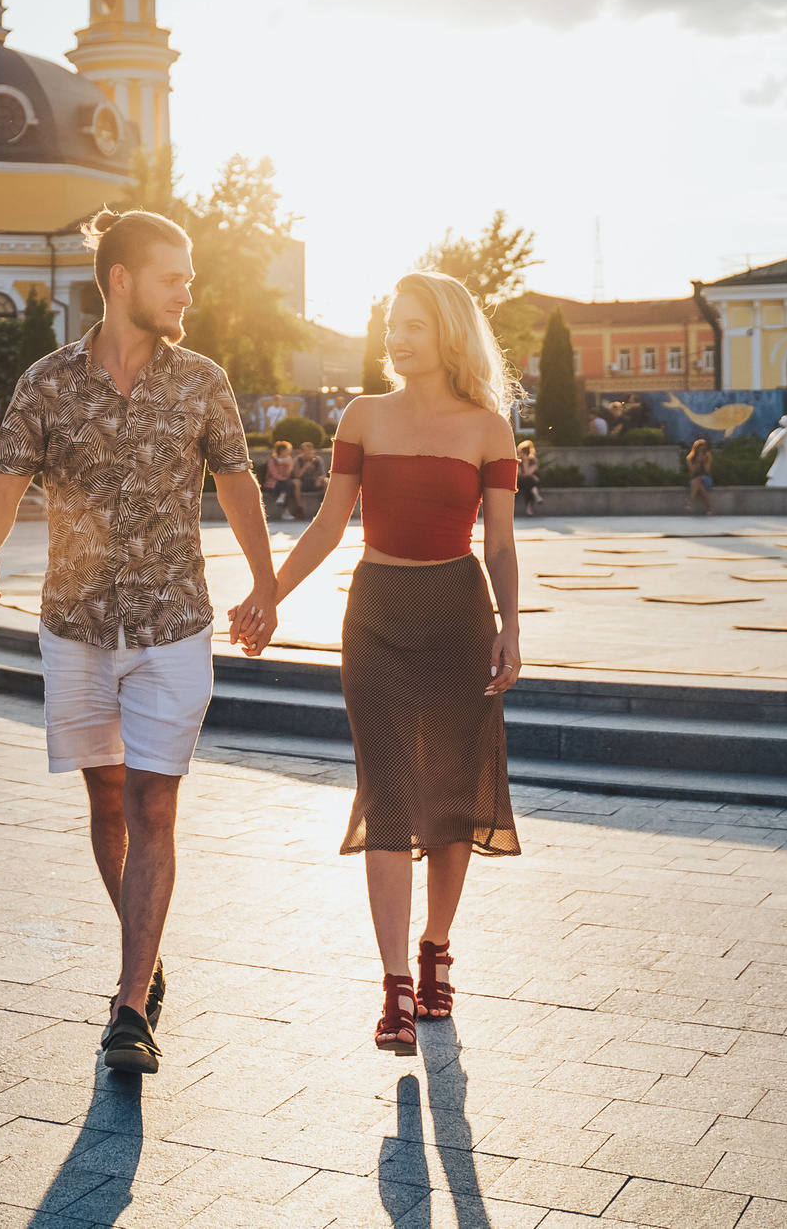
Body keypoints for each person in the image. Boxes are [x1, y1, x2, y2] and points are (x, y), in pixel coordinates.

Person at [0, 207, 278, 1077]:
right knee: (106, 803)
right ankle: (148, 950)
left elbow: (238, 482)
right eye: (176, 276)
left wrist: (266, 579)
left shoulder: (204, 380)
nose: (190, 290)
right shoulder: (48, 382)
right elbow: (5, 479)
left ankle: (129, 1004)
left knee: (155, 806)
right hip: (76, 624)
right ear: (123, 281)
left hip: (175, 623)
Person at [270, 269, 522, 1057]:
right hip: (374, 618)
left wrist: (510, 626)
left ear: (447, 332)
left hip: (457, 617)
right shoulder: (362, 416)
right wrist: (269, 593)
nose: (397, 337)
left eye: (412, 324)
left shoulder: (488, 428)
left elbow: (502, 541)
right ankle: (395, 989)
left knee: (450, 795)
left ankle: (436, 946)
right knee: (389, 796)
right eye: (390, 325)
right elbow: (327, 522)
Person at [264, 439, 306, 521]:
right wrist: (282, 478)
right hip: (273, 482)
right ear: (281, 451)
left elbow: (288, 474)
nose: (288, 452)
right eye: (286, 450)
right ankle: (285, 511)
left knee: (287, 485)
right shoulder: (273, 460)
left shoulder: (289, 459)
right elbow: (273, 473)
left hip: (285, 481)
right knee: (284, 485)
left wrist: (288, 466)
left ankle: (282, 498)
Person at [761, 413, 787, 488]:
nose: (780, 421)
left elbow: (775, 441)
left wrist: (765, 451)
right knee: (784, 466)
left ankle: (779, 481)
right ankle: (782, 481)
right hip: (786, 456)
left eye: (783, 419)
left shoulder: (785, 432)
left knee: (783, 467)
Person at [683, 437, 715, 517]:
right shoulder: (690, 458)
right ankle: (709, 508)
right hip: (694, 479)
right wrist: (697, 462)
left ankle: (690, 502)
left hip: (706, 478)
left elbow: (707, 471)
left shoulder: (708, 457)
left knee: (699, 480)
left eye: (703, 449)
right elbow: (693, 471)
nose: (701, 451)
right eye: (699, 449)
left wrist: (704, 461)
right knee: (699, 486)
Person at [515, 439, 542, 517]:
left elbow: (528, 472)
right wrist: (523, 463)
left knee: (528, 484)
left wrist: (526, 462)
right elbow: (520, 474)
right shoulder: (518, 461)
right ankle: (536, 497)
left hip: (528, 482)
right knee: (529, 482)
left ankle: (529, 508)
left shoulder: (533, 461)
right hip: (521, 481)